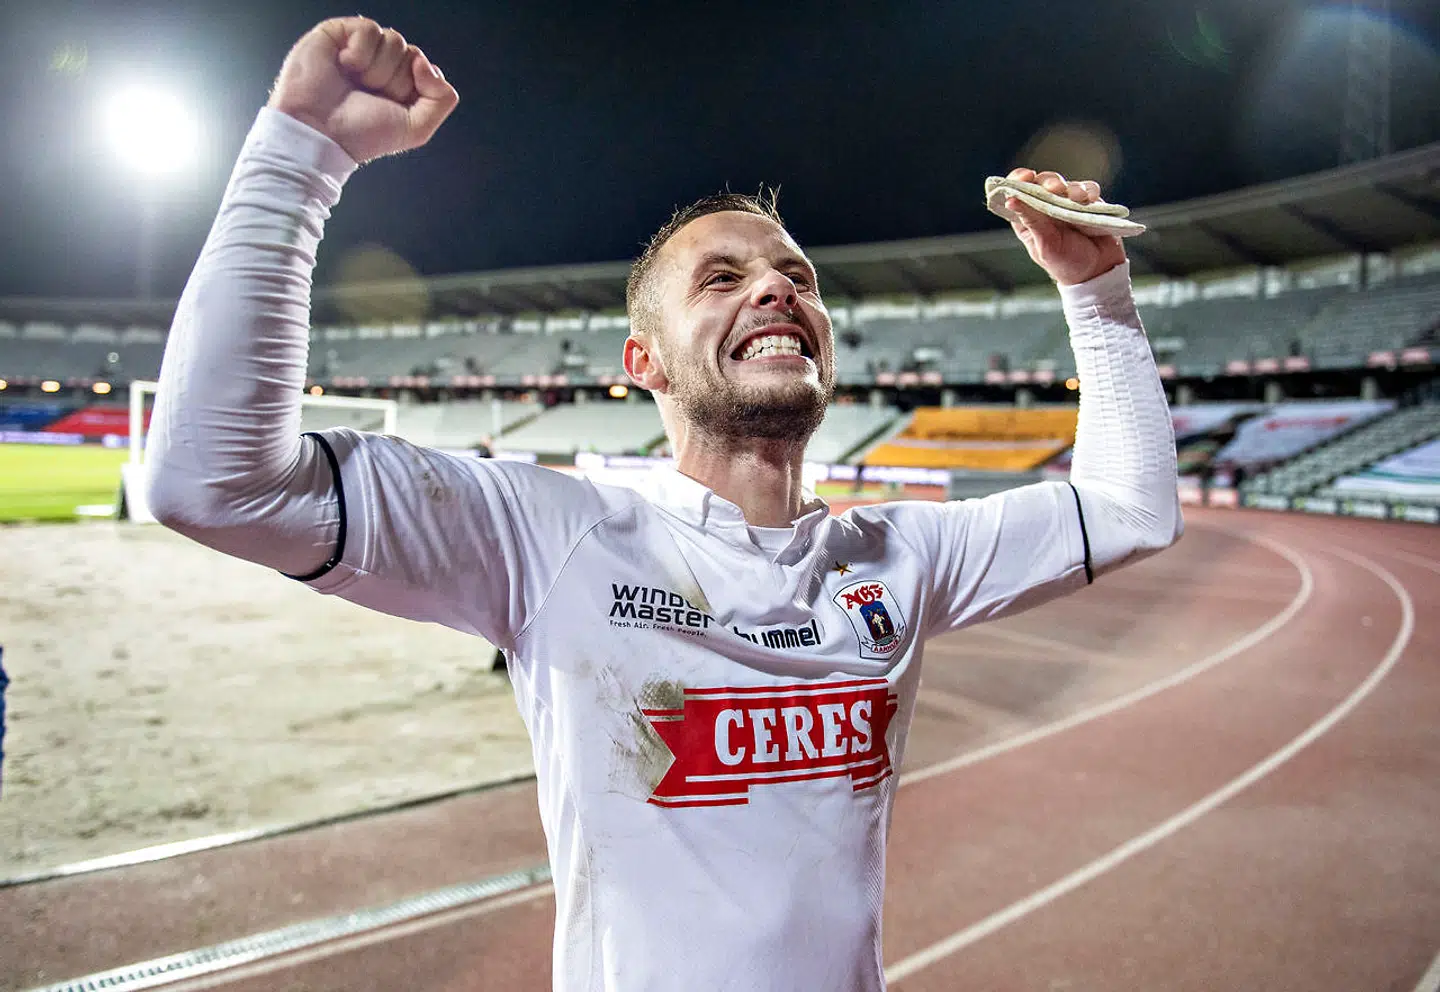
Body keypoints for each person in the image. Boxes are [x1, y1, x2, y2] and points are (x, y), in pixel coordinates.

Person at [145, 17, 1182, 992]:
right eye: (721, 277)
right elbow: (215, 481)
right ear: (642, 361)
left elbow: (1131, 507)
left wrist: (1095, 290)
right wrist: (300, 161)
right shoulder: (552, 535)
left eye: (796, 275)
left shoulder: (897, 557)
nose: (777, 291)